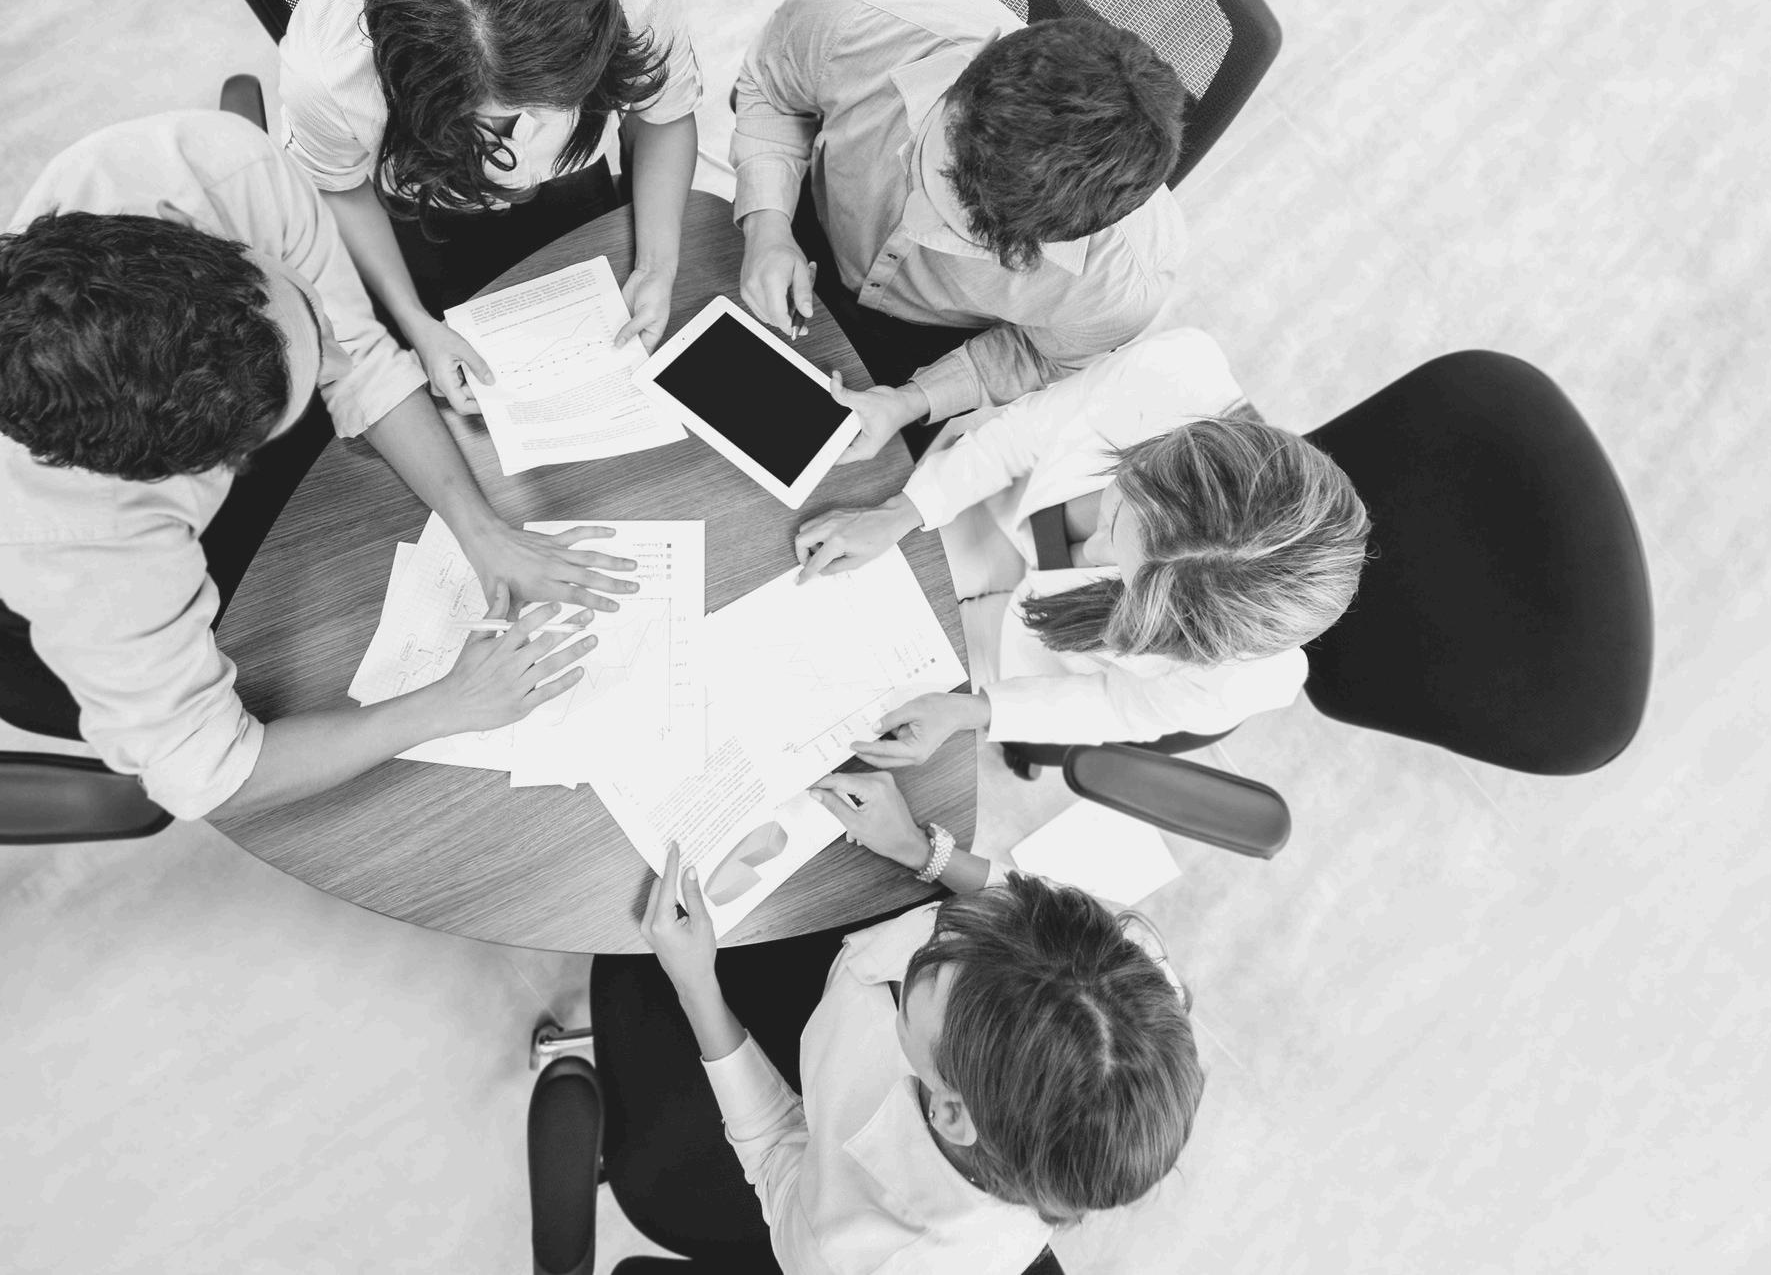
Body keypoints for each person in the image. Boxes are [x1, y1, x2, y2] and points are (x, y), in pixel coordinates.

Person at [0, 110, 634, 821]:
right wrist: (445, 705)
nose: (336, 352)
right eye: (306, 381)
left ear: (199, 236)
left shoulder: (212, 168)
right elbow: (210, 778)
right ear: (217, 463)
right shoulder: (92, 551)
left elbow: (359, 358)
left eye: (304, 306)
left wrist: (480, 530)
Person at [631, 762, 1203, 1273]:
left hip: (791, 1090)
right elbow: (1026, 903)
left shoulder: (856, 1250)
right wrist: (921, 850)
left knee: (629, 973)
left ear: (950, 1110)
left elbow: (775, 1148)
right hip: (841, 977)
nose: (941, 928)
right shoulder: (1128, 984)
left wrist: (695, 985)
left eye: (931, 967)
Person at [787, 329, 1369, 763]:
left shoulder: (1244, 675)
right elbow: (1020, 435)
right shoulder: (1174, 372)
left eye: (1126, 574)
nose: (1094, 552)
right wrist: (903, 510)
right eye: (1119, 509)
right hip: (985, 509)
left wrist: (975, 711)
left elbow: (1122, 707)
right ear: (1161, 448)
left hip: (1031, 649)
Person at [277, 0, 703, 413]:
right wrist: (415, 322)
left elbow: (663, 116)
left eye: (554, 99)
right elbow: (340, 187)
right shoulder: (328, 72)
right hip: (418, 215)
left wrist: (656, 266)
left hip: (577, 181)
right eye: (495, 113)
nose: (527, 133)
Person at [730, 0, 1187, 460]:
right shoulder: (859, 14)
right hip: (803, 218)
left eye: (966, 237)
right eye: (929, 174)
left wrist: (908, 402)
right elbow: (771, 89)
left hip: (922, 346)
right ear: (957, 87)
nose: (916, 223)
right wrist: (767, 224)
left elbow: (1037, 354)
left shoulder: (1122, 283)